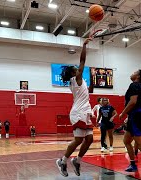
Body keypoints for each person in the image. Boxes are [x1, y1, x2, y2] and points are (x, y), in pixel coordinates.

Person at [56, 38, 94, 177]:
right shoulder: (75, 79)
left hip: (86, 112)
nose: (78, 69)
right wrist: (84, 45)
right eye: (76, 69)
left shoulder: (80, 81)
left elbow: (90, 91)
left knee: (89, 139)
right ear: (74, 73)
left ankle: (77, 161)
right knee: (78, 140)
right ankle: (63, 161)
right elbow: (82, 61)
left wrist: (92, 76)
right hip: (78, 113)